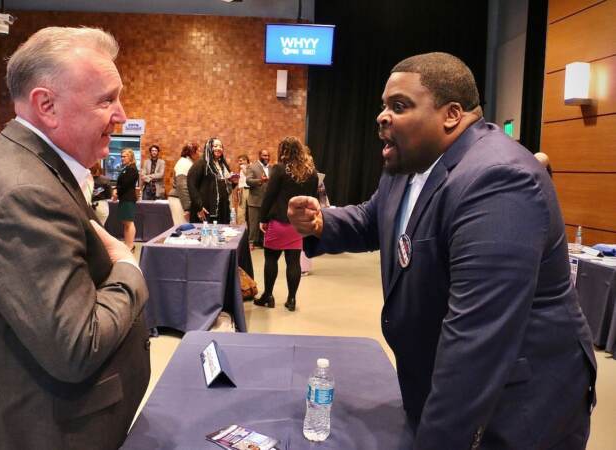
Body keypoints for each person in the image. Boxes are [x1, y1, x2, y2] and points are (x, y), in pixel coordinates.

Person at [288, 52, 596, 449]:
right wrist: (324, 223)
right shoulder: (409, 167)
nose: (382, 116)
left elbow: (476, 345)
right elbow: (375, 218)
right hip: (438, 384)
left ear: (451, 114)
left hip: (515, 407)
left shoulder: (498, 181)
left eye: (399, 106)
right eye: (383, 106)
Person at [0, 27, 151, 450]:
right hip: (45, 432)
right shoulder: (25, 191)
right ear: (47, 105)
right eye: (106, 99)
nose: (121, 114)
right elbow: (77, 345)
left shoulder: (19, 160)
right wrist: (129, 271)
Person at [254, 137, 317, 311]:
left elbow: (269, 196)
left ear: (284, 151)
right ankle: (291, 299)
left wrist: (263, 218)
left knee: (271, 259)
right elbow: (314, 199)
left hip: (278, 222)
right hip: (297, 225)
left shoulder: (280, 169)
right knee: (294, 262)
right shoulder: (311, 172)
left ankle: (268, 296)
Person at [188, 137, 233, 224]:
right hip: (205, 210)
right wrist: (199, 207)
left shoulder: (223, 165)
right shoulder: (201, 163)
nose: (218, 148)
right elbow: (191, 185)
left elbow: (225, 187)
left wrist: (233, 182)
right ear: (209, 147)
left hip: (222, 210)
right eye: (215, 146)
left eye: (220, 146)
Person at [114, 148, 139, 251]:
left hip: (128, 199)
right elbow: (121, 183)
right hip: (124, 198)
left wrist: (116, 191)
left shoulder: (132, 169)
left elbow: (125, 184)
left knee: (129, 222)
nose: (122, 158)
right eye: (121, 156)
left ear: (131, 157)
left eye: (124, 156)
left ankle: (130, 245)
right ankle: (127, 244)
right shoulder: (126, 168)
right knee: (125, 223)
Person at [168, 142, 198, 225]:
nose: (199, 154)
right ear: (192, 152)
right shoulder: (184, 163)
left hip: (180, 200)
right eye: (197, 151)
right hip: (179, 200)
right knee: (182, 228)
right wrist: (187, 209)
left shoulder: (187, 162)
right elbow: (182, 186)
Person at [246, 149, 271, 248]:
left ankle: (263, 242)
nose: (267, 158)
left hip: (267, 202)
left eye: (268, 156)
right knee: (253, 224)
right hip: (255, 201)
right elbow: (248, 181)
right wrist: (260, 181)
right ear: (259, 155)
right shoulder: (252, 167)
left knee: (265, 223)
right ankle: (251, 242)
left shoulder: (272, 168)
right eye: (264, 155)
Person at [90, 161, 112, 225]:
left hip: (87, 206)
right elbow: (109, 195)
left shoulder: (85, 179)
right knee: (100, 228)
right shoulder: (105, 180)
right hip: (101, 206)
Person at [235, 154, 250, 225]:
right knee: (241, 210)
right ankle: (242, 227)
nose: (239, 163)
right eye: (239, 161)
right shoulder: (241, 169)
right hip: (241, 190)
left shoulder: (249, 167)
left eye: (241, 161)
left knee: (243, 210)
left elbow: (248, 175)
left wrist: (244, 167)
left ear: (245, 160)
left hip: (247, 190)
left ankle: (243, 227)